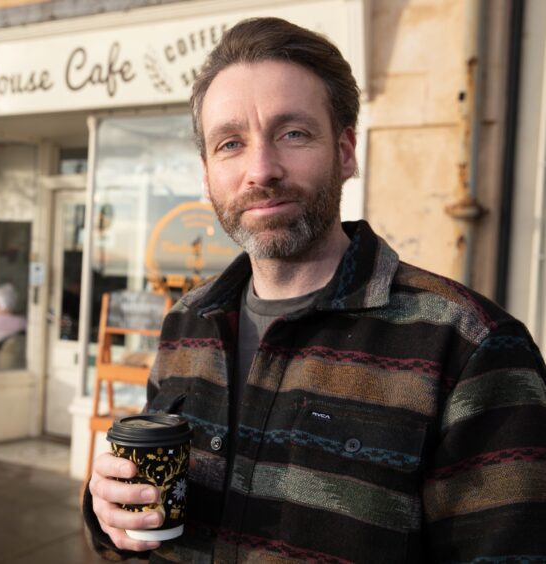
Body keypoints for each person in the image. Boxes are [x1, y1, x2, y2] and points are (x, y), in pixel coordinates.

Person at [83, 17, 546, 563]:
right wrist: (107, 511)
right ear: (207, 174)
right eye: (230, 143)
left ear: (346, 151)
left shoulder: (472, 350)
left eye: (293, 133)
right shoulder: (187, 322)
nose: (261, 169)